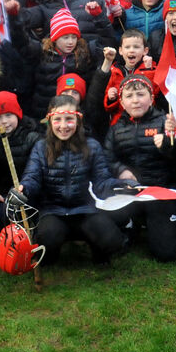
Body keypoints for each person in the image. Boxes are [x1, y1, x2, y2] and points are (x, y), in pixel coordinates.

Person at [16, 96, 128, 266]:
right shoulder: (41, 147)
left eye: (69, 119)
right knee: (48, 238)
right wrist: (24, 190)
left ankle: (98, 250)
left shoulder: (92, 146)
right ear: (49, 121)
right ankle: (51, 252)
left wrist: (123, 186)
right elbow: (32, 177)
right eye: (57, 120)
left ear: (78, 120)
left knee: (112, 240)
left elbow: (102, 181)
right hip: (53, 211)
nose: (63, 126)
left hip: (85, 210)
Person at [103, 74, 176, 262]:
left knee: (167, 254)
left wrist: (169, 143)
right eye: (129, 96)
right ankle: (131, 225)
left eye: (140, 95)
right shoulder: (115, 128)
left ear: (151, 98)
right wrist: (121, 171)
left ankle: (153, 224)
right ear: (122, 102)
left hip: (159, 192)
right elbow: (107, 158)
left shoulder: (167, 122)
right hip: (129, 191)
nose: (135, 101)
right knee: (104, 227)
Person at [0, 92, 42, 230]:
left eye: (8, 115)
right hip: (4, 194)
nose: (4, 121)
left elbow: (38, 172)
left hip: (30, 192)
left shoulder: (32, 137)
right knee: (1, 213)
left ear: (18, 114)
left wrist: (23, 190)